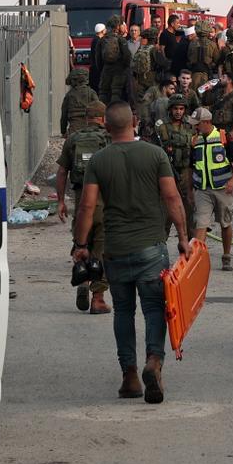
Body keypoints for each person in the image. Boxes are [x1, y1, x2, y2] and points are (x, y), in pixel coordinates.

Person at [72, 101, 190, 402]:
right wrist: (183, 238)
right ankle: (154, 361)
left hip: (116, 250)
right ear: (134, 123)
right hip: (151, 248)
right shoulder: (155, 154)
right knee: (154, 309)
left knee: (123, 311)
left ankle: (130, 377)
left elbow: (87, 206)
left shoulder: (99, 161)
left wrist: (82, 245)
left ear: (107, 128)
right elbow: (172, 197)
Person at [57, 101, 113, 315]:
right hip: (103, 201)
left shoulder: (73, 140)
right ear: (103, 118)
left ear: (87, 118)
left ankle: (82, 282)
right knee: (101, 250)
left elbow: (62, 172)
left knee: (81, 244)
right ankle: (97, 299)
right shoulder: (108, 139)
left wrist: (61, 201)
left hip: (81, 201)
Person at [190, 108, 233, 271]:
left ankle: (226, 256)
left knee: (225, 223)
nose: (195, 128)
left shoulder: (224, 137)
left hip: (222, 189)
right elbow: (191, 166)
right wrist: (191, 189)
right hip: (202, 190)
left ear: (206, 122)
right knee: (201, 223)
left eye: (197, 124)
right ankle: (197, 261)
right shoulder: (194, 141)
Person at [153, 95, 197, 236]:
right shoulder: (160, 126)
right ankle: (161, 240)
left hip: (185, 171)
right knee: (165, 209)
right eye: (175, 109)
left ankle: (191, 243)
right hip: (166, 172)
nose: (178, 112)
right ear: (170, 109)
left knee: (189, 207)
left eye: (181, 109)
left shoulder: (190, 124)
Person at [130, 27, 167, 131]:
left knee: (143, 103)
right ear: (155, 38)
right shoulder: (154, 50)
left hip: (140, 79)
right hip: (152, 79)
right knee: (156, 102)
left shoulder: (142, 48)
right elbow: (163, 63)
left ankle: (143, 125)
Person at [98, 16, 131, 104]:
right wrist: (125, 67)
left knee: (103, 92)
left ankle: (102, 114)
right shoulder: (121, 39)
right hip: (119, 70)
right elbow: (127, 56)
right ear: (117, 26)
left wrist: (103, 69)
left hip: (106, 69)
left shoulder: (102, 40)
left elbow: (97, 59)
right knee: (116, 92)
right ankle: (114, 112)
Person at [60, 67, 100, 136]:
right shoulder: (91, 93)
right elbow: (98, 109)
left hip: (74, 130)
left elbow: (64, 116)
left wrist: (63, 131)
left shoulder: (69, 95)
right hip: (90, 128)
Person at [187, 20, 218, 90]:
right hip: (207, 74)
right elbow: (217, 60)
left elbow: (188, 57)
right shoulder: (213, 45)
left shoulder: (192, 43)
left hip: (194, 74)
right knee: (205, 95)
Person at [89, 22, 107, 92]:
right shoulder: (99, 41)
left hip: (94, 69)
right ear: (102, 31)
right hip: (98, 70)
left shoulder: (94, 40)